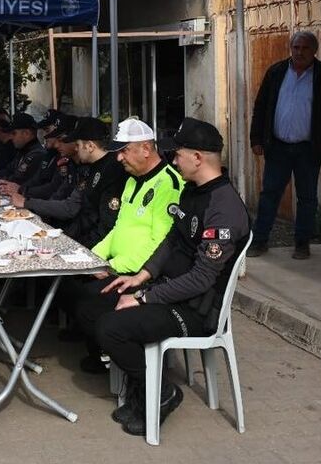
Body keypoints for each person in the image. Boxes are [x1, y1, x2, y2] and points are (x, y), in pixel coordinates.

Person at [92, 118, 252, 436]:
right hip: (169, 290)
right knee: (100, 302)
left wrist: (144, 296)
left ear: (198, 158)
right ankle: (143, 392)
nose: (173, 160)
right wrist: (142, 276)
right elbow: (172, 241)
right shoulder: (194, 191)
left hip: (197, 310)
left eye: (178, 154)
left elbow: (202, 280)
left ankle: (163, 394)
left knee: (112, 328)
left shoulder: (223, 208)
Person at [67, 117, 183, 373]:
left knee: (88, 303)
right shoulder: (132, 181)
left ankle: (127, 366)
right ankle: (105, 357)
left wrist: (111, 267)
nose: (119, 158)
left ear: (145, 149)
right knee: (74, 285)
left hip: (144, 274)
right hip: (119, 267)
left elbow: (161, 243)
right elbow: (118, 229)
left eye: (124, 151)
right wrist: (93, 257)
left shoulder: (169, 184)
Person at [248, 30, 321, 259]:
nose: (300, 52)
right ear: (290, 49)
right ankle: (260, 241)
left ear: (315, 50)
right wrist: (256, 139)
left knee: (307, 197)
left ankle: (302, 243)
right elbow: (261, 107)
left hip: (308, 149)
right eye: (296, 47)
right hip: (278, 147)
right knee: (269, 195)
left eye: (305, 48)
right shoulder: (276, 72)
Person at [58, 117, 127, 247]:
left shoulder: (113, 169)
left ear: (90, 146)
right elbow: (85, 214)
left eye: (78, 145)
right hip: (83, 239)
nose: (76, 149)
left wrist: (79, 246)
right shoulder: (92, 166)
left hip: (97, 248)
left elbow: (107, 225)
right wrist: (66, 238)